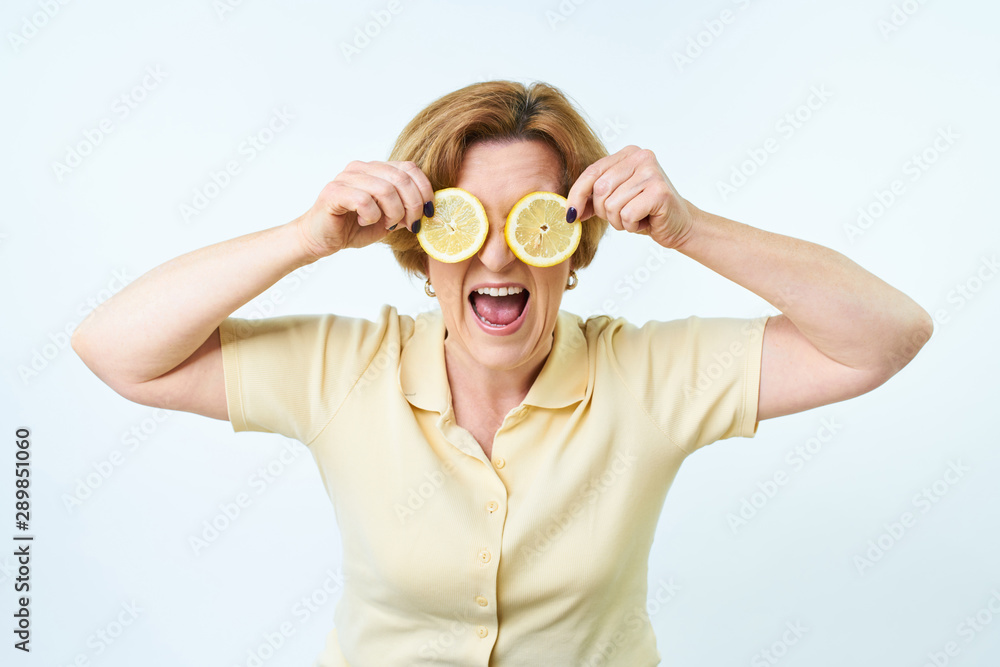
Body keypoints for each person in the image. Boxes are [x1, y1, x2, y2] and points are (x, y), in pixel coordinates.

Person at [71, 80, 933, 666]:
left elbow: (886, 336)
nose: (494, 254)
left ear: (573, 239)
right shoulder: (344, 367)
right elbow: (115, 348)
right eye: (461, 221)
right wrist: (306, 236)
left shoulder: (646, 376)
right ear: (419, 239)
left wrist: (691, 226)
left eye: (528, 221)